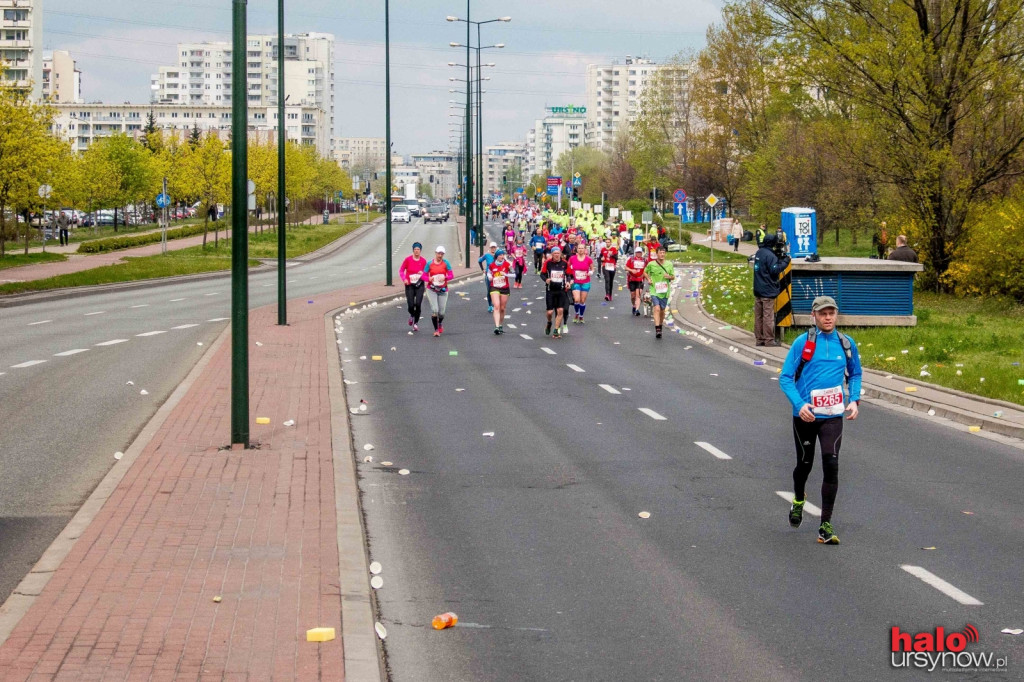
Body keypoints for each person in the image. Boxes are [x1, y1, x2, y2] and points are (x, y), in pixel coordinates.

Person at [778, 295, 862, 545]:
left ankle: (825, 524)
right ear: (813, 316)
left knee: (831, 464)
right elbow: (785, 378)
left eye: (831, 313)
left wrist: (854, 399)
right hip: (806, 415)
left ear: (836, 315)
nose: (828, 318)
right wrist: (800, 404)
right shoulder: (803, 343)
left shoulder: (846, 344)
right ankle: (799, 499)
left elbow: (855, 373)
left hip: (833, 416)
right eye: (823, 314)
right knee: (804, 465)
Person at [752, 234, 791, 346]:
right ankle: (769, 340)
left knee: (758, 316)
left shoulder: (759, 253)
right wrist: (785, 261)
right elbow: (775, 270)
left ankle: (759, 339)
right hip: (767, 291)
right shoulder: (770, 256)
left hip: (758, 289)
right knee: (768, 316)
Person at [643, 245, 675, 338]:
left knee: (662, 310)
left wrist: (668, 277)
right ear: (657, 254)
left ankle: (660, 325)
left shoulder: (669, 264)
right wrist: (648, 279)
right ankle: (657, 329)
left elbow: (673, 276)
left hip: (665, 291)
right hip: (654, 290)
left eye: (663, 253)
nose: (662, 254)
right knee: (656, 308)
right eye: (660, 253)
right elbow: (645, 272)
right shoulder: (651, 264)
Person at [540, 246, 571, 339]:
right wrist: (546, 279)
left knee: (560, 310)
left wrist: (568, 282)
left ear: (560, 254)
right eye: (555, 253)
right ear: (552, 254)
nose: (557, 255)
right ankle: (549, 322)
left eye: (558, 253)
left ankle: (556, 330)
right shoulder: (548, 263)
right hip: (550, 290)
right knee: (550, 312)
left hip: (561, 290)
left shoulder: (565, 263)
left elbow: (569, 274)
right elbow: (542, 274)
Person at [424, 246, 454, 337]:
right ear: (435, 253)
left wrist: (445, 277)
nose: (440, 255)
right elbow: (423, 276)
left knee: (441, 312)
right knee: (435, 310)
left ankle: (440, 322)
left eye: (442, 254)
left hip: (443, 289)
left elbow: (451, 275)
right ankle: (436, 329)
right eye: (438, 253)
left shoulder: (446, 263)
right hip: (432, 289)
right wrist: (428, 278)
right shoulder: (429, 264)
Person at [399, 242, 427, 332]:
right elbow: (401, 270)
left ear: (420, 251)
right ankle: (412, 314)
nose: (416, 251)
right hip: (410, 285)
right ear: (413, 250)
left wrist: (422, 274)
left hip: (419, 284)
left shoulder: (423, 261)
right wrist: (404, 279)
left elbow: (427, 274)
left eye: (418, 249)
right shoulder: (408, 260)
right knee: (411, 305)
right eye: (415, 249)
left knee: (418, 304)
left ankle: (416, 323)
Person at [487, 248, 513, 334]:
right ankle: (497, 326)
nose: (502, 256)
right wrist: (489, 277)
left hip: (504, 287)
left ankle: (500, 324)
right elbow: (488, 272)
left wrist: (505, 274)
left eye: (503, 255)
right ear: (496, 256)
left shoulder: (507, 264)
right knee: (497, 306)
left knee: (502, 308)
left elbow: (514, 274)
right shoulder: (492, 265)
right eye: (500, 255)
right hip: (494, 287)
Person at [567, 243, 594, 325]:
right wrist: (570, 278)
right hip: (575, 281)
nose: (580, 250)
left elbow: (592, 268)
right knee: (577, 299)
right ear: (576, 249)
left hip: (585, 282)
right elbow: (567, 269)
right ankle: (576, 313)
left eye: (582, 248)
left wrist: (591, 272)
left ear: (585, 249)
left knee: (582, 301)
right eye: (579, 248)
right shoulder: (572, 258)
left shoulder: (588, 259)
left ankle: (581, 316)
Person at [625, 247, 647, 316]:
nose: (639, 254)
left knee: (638, 295)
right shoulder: (631, 259)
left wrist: (645, 275)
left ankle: (637, 309)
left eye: (640, 252)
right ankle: (634, 305)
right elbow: (625, 267)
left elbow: (647, 269)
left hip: (640, 280)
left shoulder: (644, 260)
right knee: (633, 295)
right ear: (635, 253)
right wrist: (631, 270)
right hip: (632, 279)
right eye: (637, 252)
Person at [478, 242, 498, 313]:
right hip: (489, 275)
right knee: (490, 290)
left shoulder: (498, 255)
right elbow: (479, 261)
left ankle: (496, 304)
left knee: (497, 290)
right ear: (490, 248)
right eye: (492, 247)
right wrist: (483, 269)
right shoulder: (486, 255)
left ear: (496, 248)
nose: (493, 249)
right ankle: (490, 305)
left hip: (497, 275)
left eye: (494, 247)